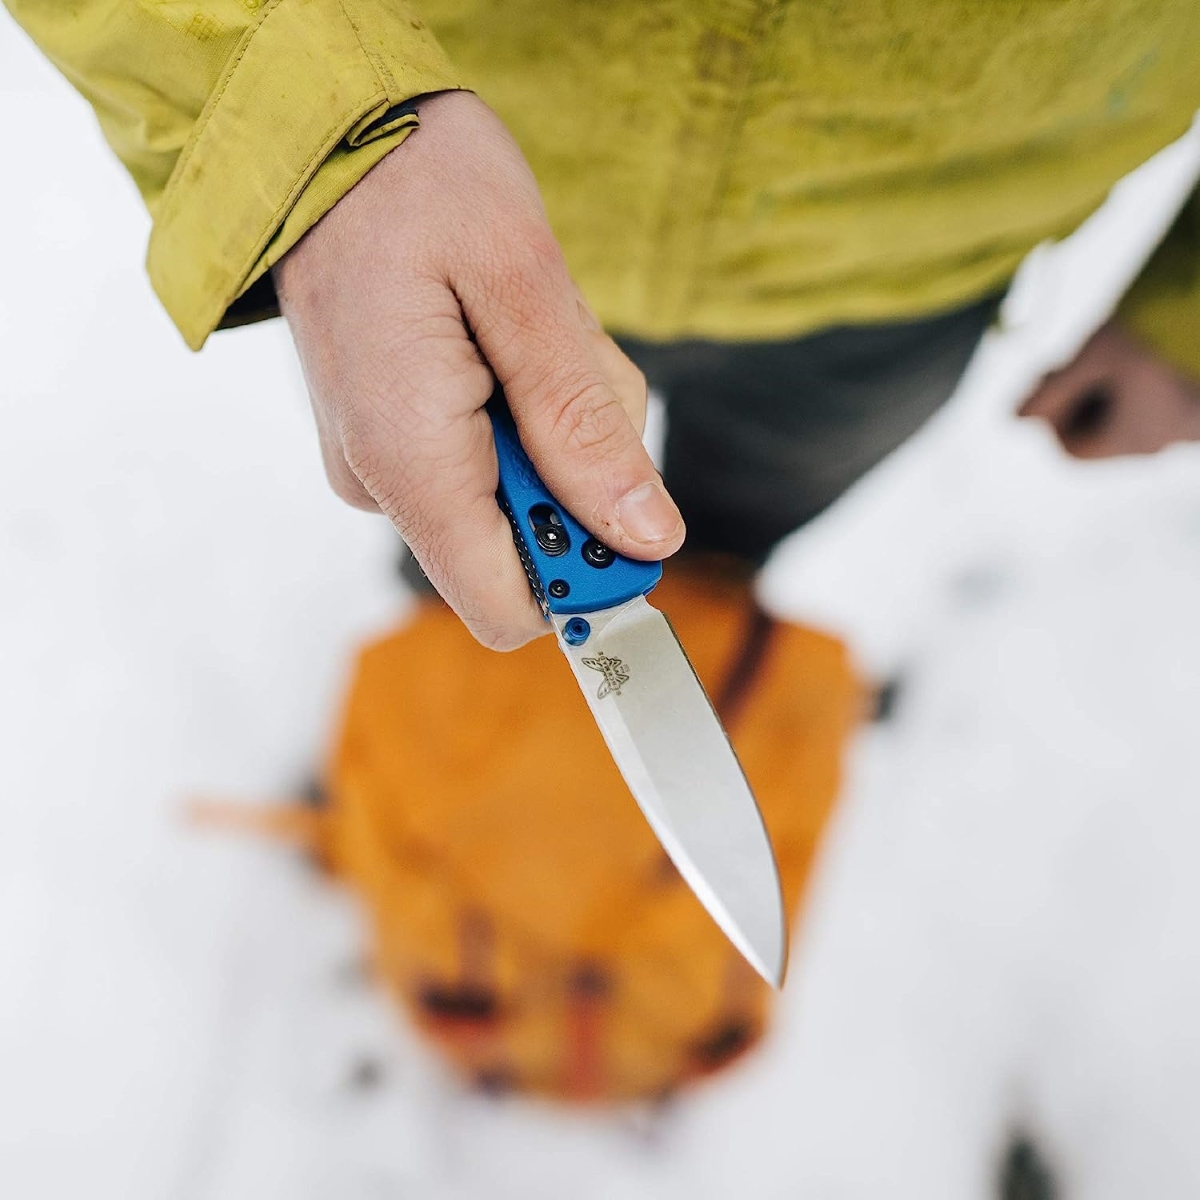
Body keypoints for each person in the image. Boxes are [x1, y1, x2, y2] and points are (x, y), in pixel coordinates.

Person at [5, 0, 1200, 641]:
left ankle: (710, 595)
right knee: (465, 546)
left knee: (726, 539)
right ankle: (462, 676)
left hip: (913, 274)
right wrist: (311, 127)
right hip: (438, 214)